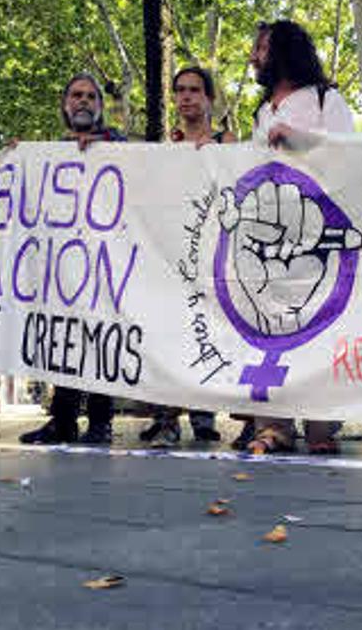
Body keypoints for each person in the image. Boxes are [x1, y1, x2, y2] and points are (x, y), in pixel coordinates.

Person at [242, 20, 355, 455]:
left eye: (262, 48)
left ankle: (321, 428)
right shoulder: (261, 112)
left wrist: (298, 138)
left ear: (285, 50)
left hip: (320, 233)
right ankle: (274, 425)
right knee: (269, 328)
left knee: (320, 327)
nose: (254, 57)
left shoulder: (327, 100)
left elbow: (351, 153)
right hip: (268, 238)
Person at [19, 74, 126, 446]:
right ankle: (62, 421)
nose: (83, 101)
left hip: (106, 262)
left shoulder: (118, 144)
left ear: (100, 105)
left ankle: (100, 422)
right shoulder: (49, 154)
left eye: (91, 96)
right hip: (63, 267)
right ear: (65, 105)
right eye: (76, 96)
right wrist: (20, 161)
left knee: (99, 339)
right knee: (64, 340)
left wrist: (102, 146)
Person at [137, 66, 231, 448]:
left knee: (207, 335)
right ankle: (167, 419)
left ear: (209, 98)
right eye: (180, 90)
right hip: (171, 252)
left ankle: (204, 414)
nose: (187, 97)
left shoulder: (228, 142)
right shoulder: (166, 147)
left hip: (212, 252)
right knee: (170, 333)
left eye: (194, 90)